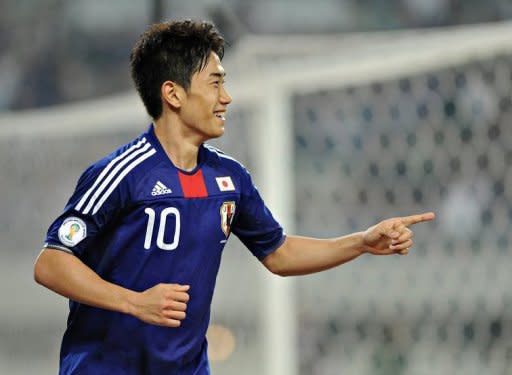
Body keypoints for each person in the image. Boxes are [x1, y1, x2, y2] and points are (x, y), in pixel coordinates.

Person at [34, 19, 435, 375]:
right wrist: (134, 303)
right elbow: (51, 263)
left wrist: (361, 242)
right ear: (173, 94)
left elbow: (278, 253)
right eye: (215, 82)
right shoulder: (122, 172)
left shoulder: (229, 177)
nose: (226, 97)